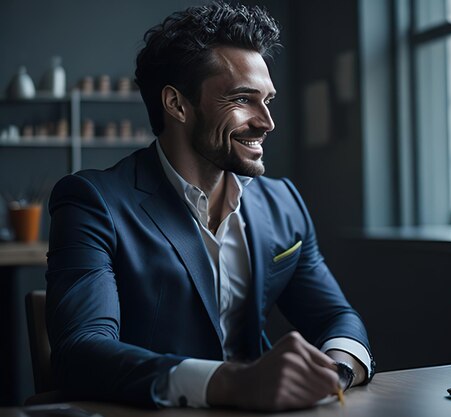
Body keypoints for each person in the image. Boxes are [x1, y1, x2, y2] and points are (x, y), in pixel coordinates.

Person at [46, 1, 374, 411]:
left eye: (268, 100)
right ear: (177, 105)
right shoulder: (92, 202)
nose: (267, 121)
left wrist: (334, 371)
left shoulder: (283, 203)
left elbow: (336, 318)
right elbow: (80, 352)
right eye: (243, 99)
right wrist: (231, 384)